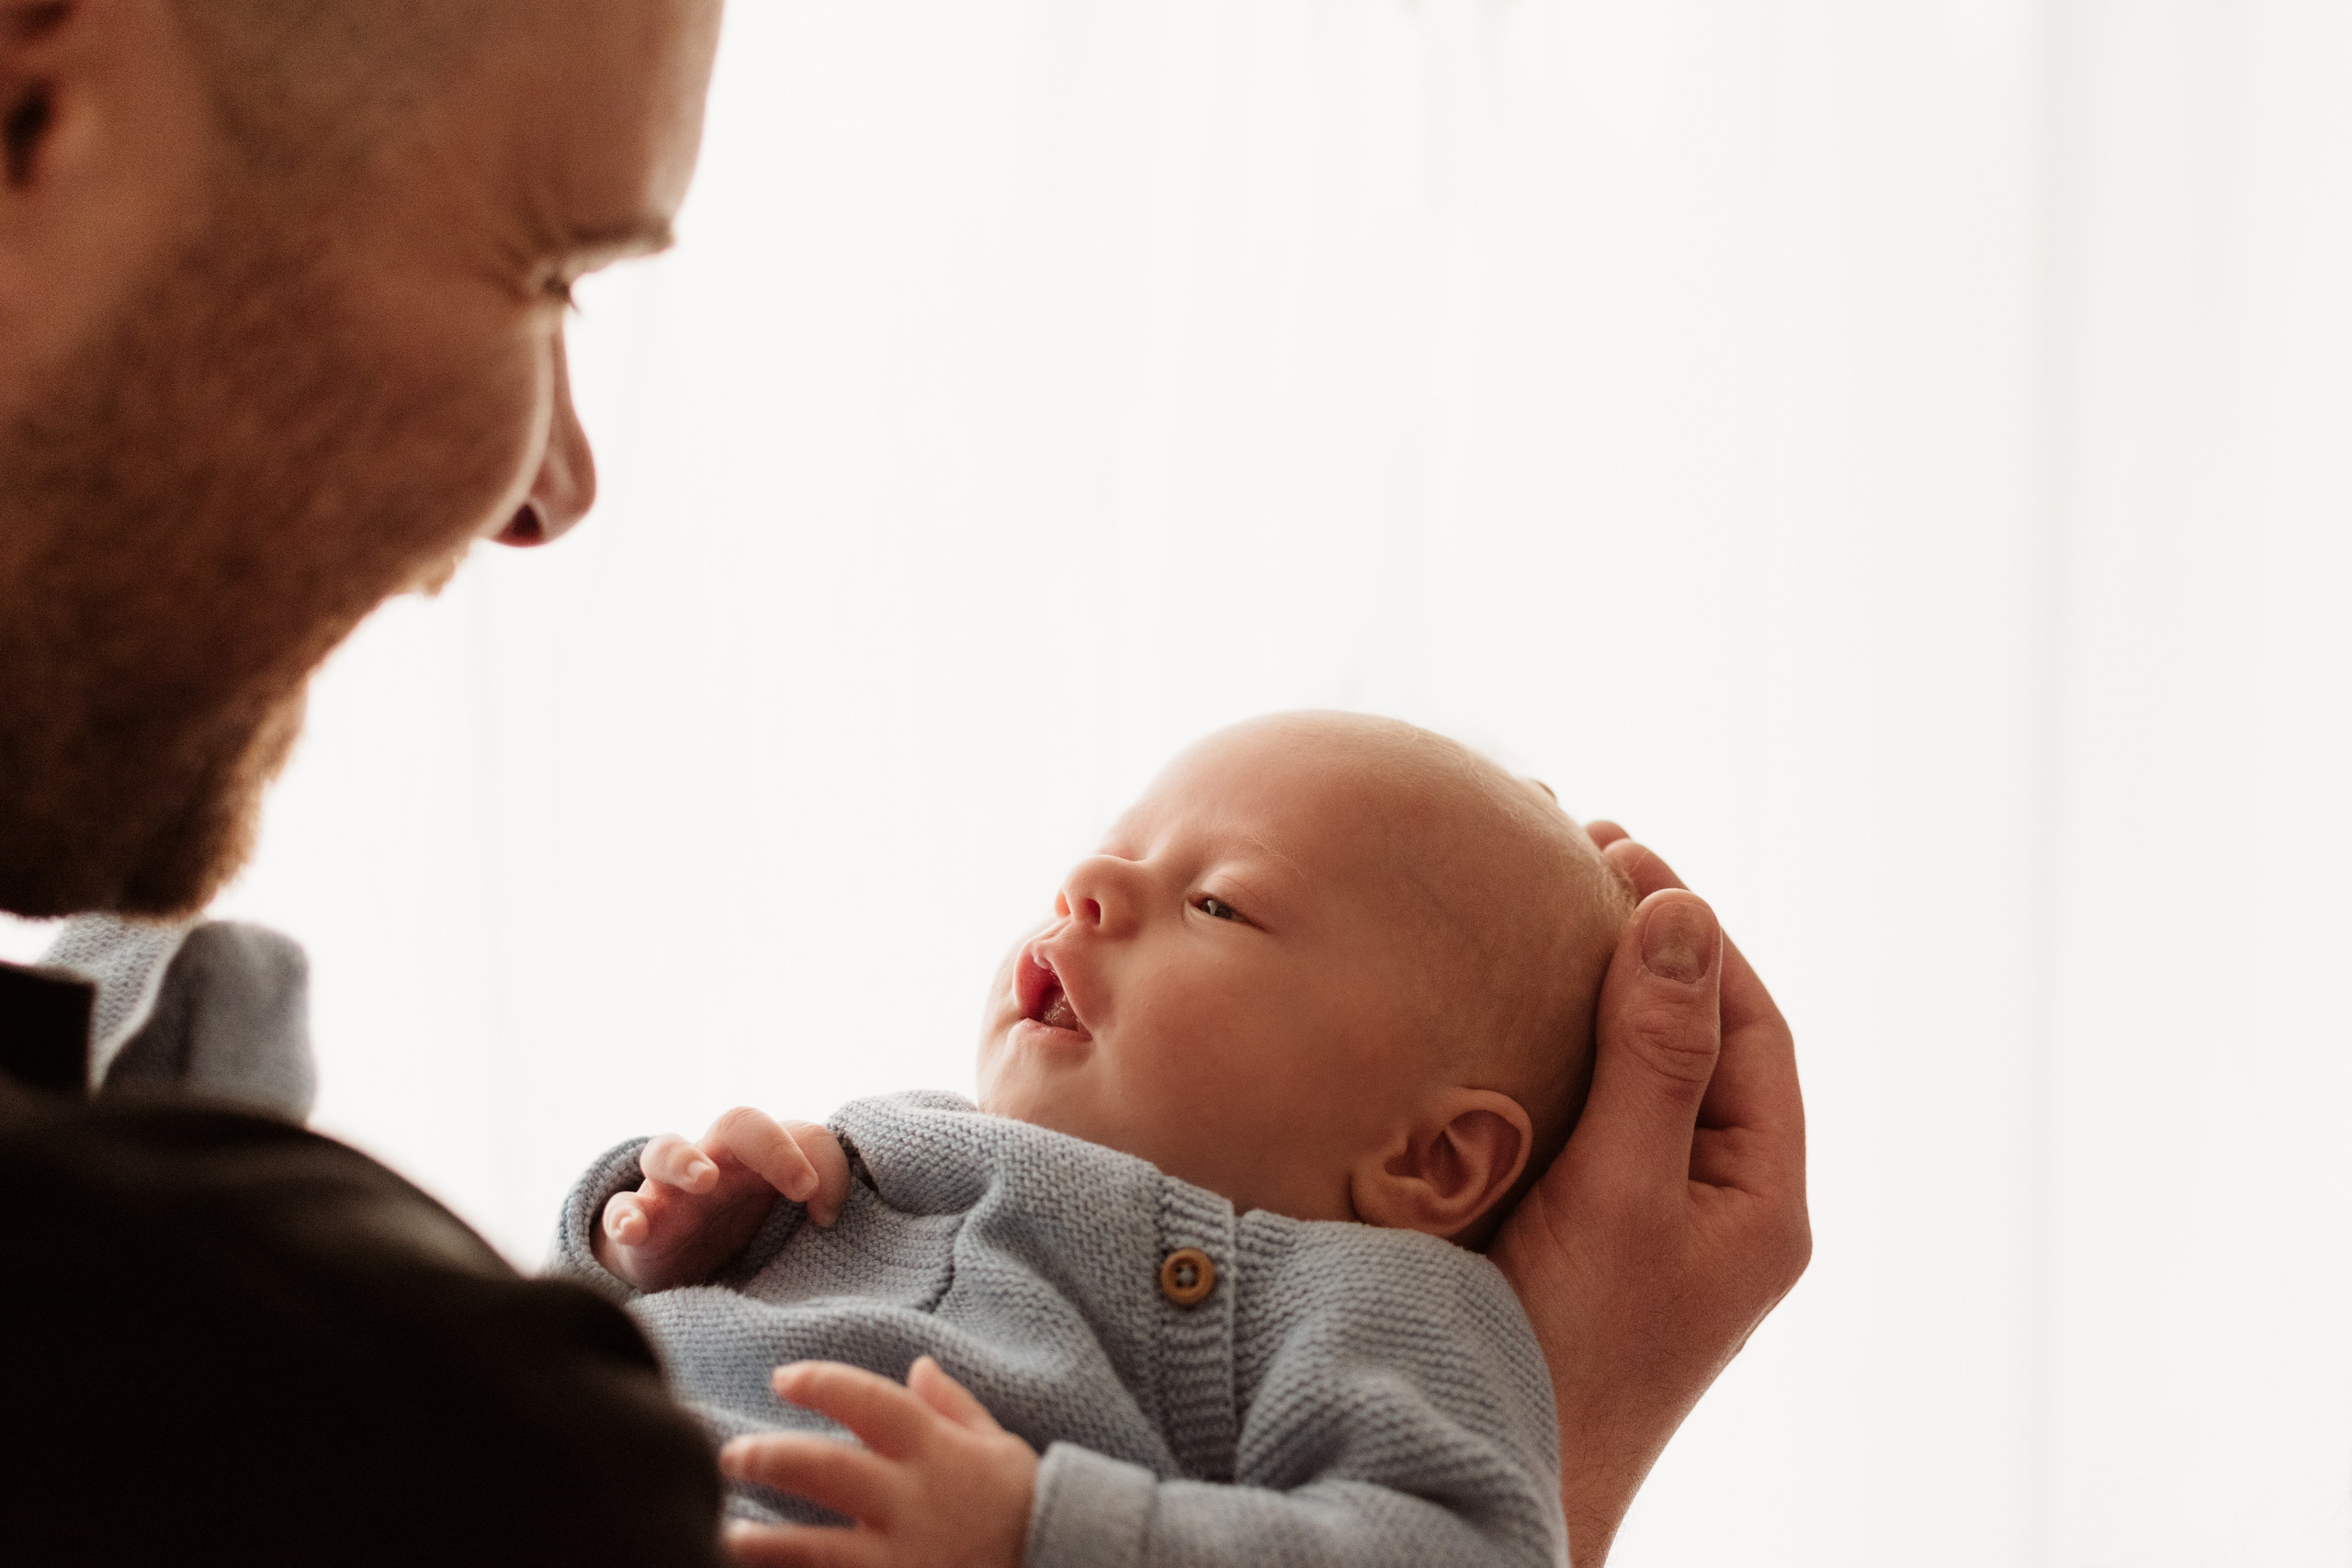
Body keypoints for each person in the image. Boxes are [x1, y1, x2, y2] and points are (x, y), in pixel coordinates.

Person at [0, 2, 1809, 1562]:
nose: (556, 485)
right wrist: (1566, 1441)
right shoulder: (271, 1374)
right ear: (35, 100)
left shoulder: (208, 1295)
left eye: (1222, 900)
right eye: (536, 265)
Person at [558, 713, 1634, 1564]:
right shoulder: (889, 1150)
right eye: (1106, 856)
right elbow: (545, 1339)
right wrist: (649, 1248)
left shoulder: (1369, 1305)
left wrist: (1042, 1534)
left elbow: (1459, 1549)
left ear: (1429, 1161)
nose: (1088, 891)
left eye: (1216, 905)